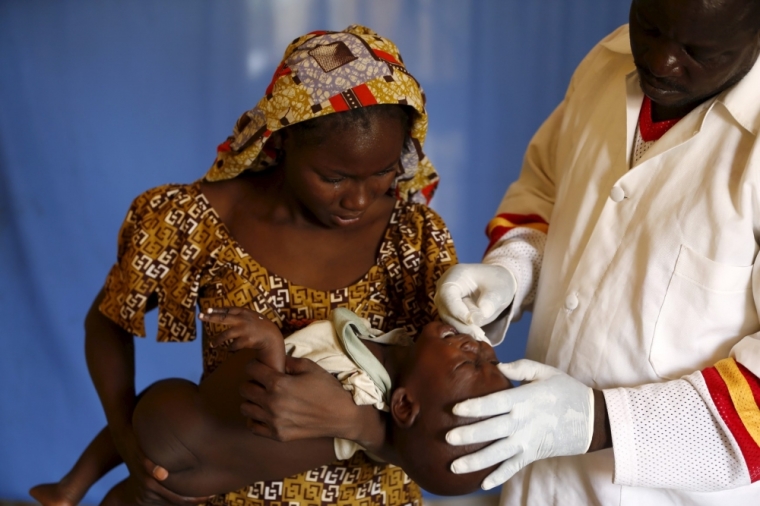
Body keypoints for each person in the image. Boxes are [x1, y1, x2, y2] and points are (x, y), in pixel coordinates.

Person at [31, 25, 457, 506]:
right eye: (333, 176)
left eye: (382, 171)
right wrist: (131, 443)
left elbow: (443, 416)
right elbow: (108, 321)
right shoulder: (196, 221)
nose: (359, 198)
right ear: (283, 141)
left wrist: (358, 425)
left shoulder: (414, 237)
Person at [434, 0, 760, 504]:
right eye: (649, 28)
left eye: (700, 51)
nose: (662, 61)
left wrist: (594, 422)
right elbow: (547, 190)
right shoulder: (606, 63)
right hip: (535, 487)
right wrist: (514, 268)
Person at [35, 306, 511, 504]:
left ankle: (70, 487)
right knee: (132, 479)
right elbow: (408, 450)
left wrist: (269, 343)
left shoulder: (359, 393)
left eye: (470, 366)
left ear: (405, 406)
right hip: (194, 463)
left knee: (133, 453)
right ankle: (69, 489)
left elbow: (276, 390)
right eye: (489, 356)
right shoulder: (383, 411)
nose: (479, 347)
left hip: (182, 428)